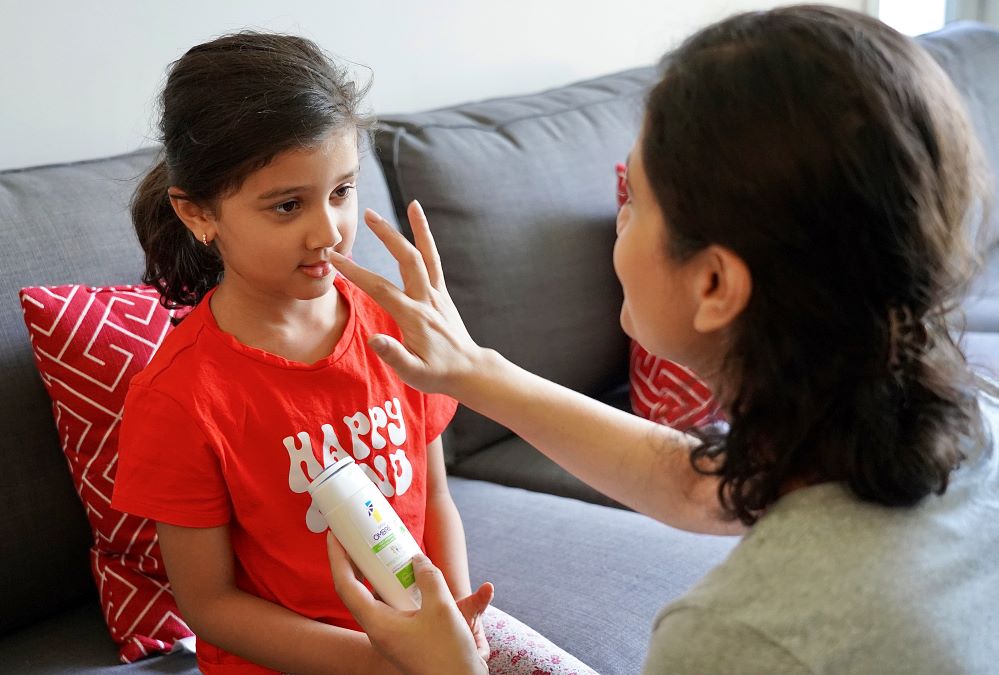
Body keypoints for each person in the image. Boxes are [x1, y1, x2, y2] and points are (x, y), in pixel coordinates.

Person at [325, 6, 999, 674]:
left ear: (713, 284)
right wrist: (474, 371)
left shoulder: (735, 637)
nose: (619, 216)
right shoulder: (970, 429)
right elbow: (699, 485)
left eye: (636, 201)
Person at [111, 32, 593, 675]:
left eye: (341, 191)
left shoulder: (395, 326)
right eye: (287, 206)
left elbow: (435, 500)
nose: (329, 231)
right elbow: (210, 605)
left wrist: (453, 619)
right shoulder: (179, 396)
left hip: (427, 636)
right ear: (199, 215)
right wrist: (379, 662)